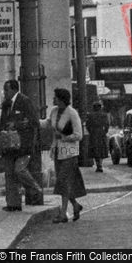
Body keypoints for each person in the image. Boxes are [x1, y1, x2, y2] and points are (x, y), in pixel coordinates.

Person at [41, 88, 86, 224]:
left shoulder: (72, 113)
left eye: (55, 97)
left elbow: (79, 135)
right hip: (57, 152)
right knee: (62, 183)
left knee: (63, 182)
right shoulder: (54, 111)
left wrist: (63, 137)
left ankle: (63, 214)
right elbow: (47, 123)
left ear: (61, 99)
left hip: (69, 153)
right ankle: (75, 205)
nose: (53, 99)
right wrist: (34, 121)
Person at [0, 80, 43, 212]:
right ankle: (13, 203)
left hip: (23, 144)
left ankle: (35, 188)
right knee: (9, 173)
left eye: (6, 90)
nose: (5, 93)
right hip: (9, 144)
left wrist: (16, 125)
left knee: (19, 170)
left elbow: (34, 121)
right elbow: (3, 121)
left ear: (13, 89)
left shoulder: (24, 101)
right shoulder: (6, 104)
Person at [86, 102, 110, 173]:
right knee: (102, 149)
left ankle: (98, 164)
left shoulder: (90, 115)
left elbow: (88, 125)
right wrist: (104, 132)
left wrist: (91, 131)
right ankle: (100, 164)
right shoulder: (104, 115)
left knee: (95, 149)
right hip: (101, 133)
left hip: (93, 133)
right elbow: (107, 125)